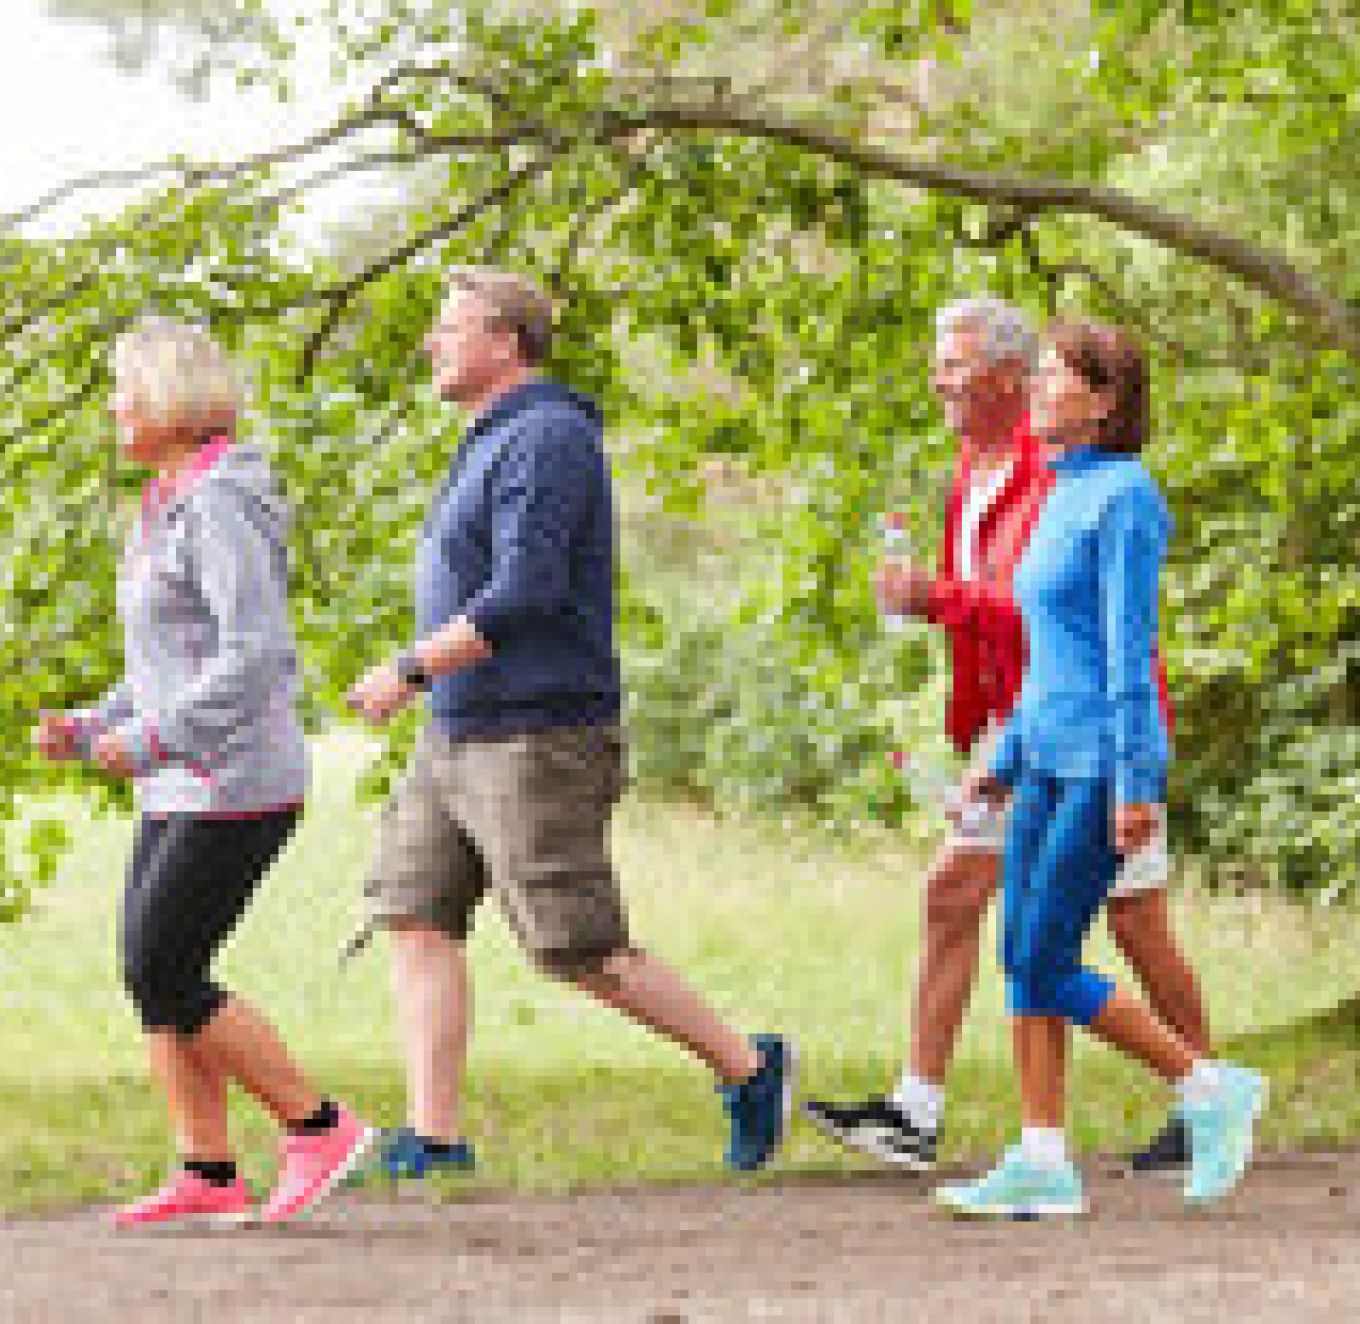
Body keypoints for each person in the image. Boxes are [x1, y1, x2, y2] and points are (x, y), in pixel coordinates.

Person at [345, 267, 793, 1181]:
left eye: (450, 327)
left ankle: (749, 1069)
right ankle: (435, 1140)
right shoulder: (486, 440)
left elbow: (527, 591)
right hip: (458, 731)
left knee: (572, 944)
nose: (432, 342)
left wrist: (409, 667)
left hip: (537, 734)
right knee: (414, 914)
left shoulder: (547, 437)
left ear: (506, 341)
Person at [804, 298, 1207, 1174]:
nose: (938, 378)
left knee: (1128, 923)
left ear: (1010, 376)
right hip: (1026, 726)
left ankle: (1203, 1093)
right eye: (938, 363)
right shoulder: (974, 465)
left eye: (954, 364)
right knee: (964, 900)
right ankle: (937, 1116)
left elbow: (1059, 623)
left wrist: (935, 598)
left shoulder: (1064, 476)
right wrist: (987, 732)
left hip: (1092, 732)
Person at [34, 317, 374, 1228]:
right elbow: (167, 658)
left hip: (236, 781)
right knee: (152, 971)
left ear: (171, 402)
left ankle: (319, 1125)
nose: (113, 407)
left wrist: (150, 740)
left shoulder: (224, 500)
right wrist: (94, 723)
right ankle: (207, 1170)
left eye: (125, 391)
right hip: (181, 780)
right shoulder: (166, 498)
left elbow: (254, 654)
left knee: (163, 964)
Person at [933, 320, 1263, 1218]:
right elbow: (1049, 657)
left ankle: (1208, 1088)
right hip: (1039, 760)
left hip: (1095, 772)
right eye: (1035, 374)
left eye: (1054, 376)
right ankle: (1043, 1158)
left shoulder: (1126, 497)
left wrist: (1137, 785)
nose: (1037, 388)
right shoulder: (1059, 491)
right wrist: (997, 764)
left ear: (1105, 399)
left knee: (1042, 960)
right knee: (1020, 957)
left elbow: (1128, 656)